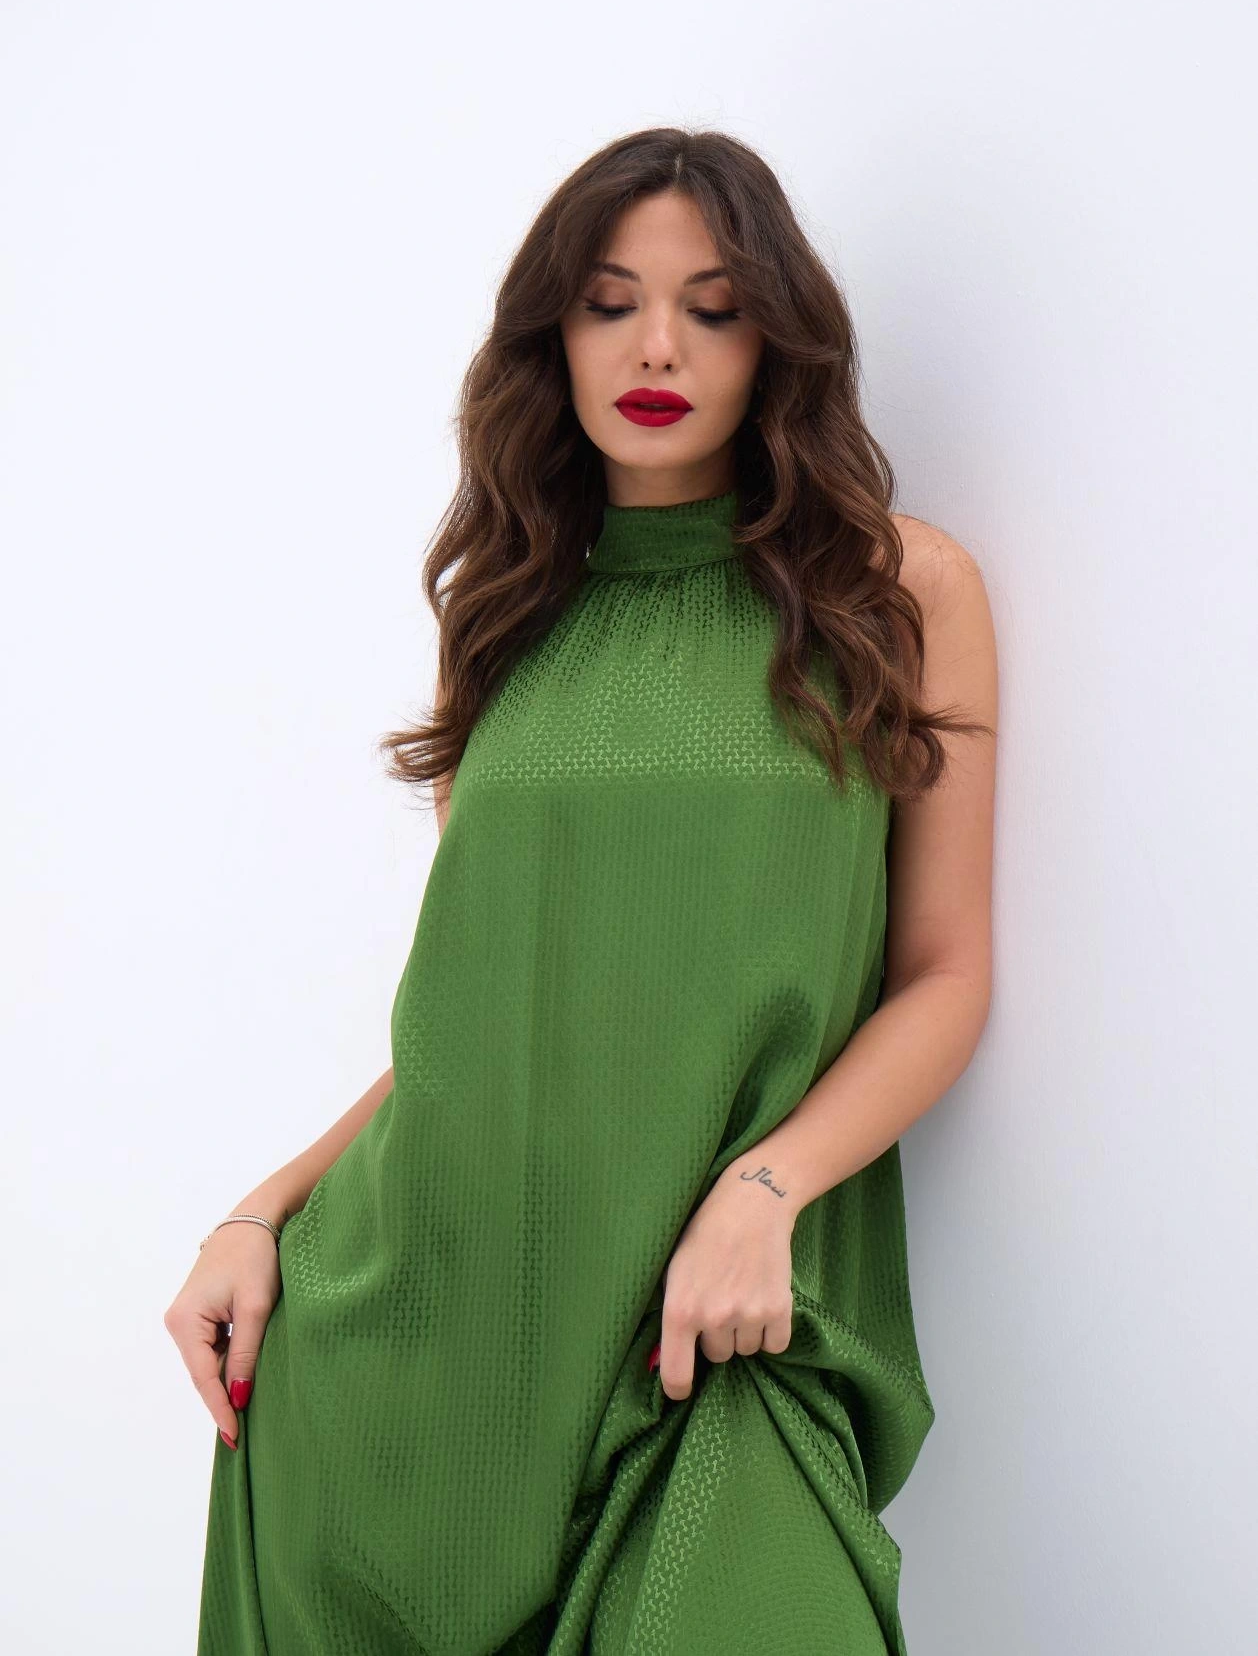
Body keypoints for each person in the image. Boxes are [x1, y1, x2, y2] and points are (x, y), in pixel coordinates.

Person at [166, 125, 997, 1655]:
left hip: (719, 1321)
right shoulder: (505, 616)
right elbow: (483, 1011)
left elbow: (943, 974)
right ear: (549, 337)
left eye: (713, 307)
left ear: (777, 342)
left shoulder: (893, 592)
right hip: (417, 1360)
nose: (656, 347)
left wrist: (764, 1190)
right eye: (609, 304)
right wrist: (259, 1212)